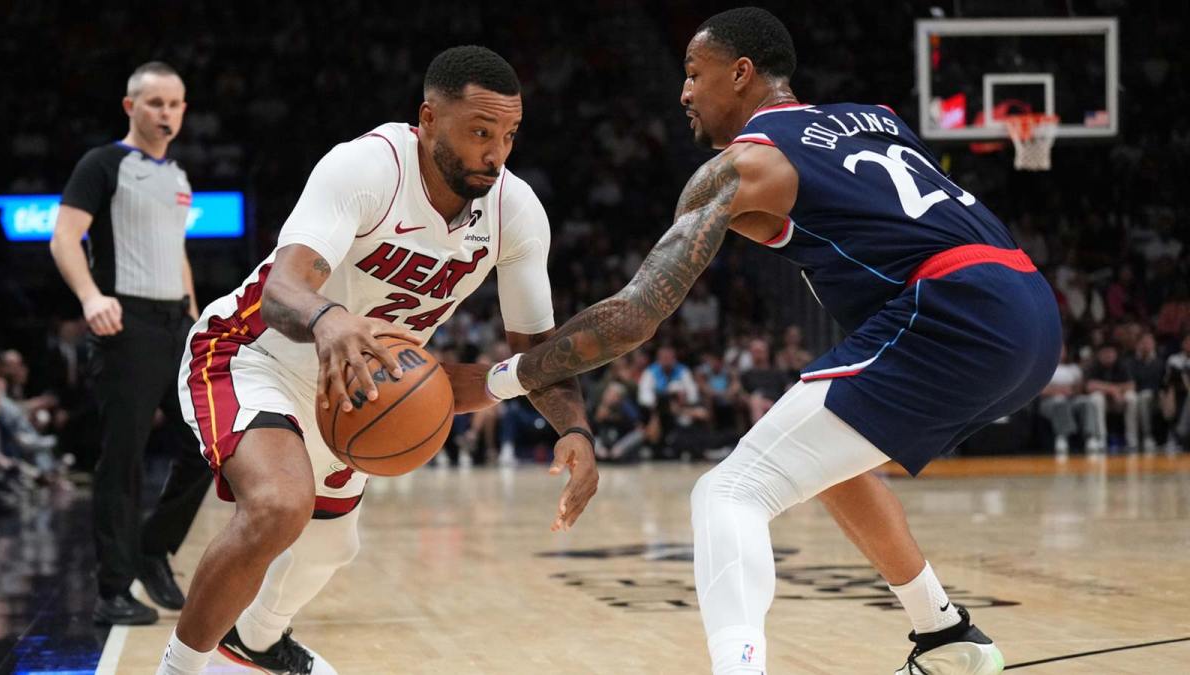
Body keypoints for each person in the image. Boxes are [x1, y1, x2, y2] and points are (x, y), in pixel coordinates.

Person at [487, 8, 1061, 674]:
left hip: (956, 312)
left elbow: (635, 315)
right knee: (830, 468)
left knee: (728, 493)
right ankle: (946, 635)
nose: (683, 93)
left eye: (694, 74)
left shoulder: (742, 167)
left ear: (741, 73)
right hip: (1028, 303)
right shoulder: (874, 116)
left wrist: (507, 377)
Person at [157, 46, 598, 675]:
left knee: (333, 544)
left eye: (508, 135)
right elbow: (284, 289)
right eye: (479, 132)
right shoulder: (366, 167)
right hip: (253, 353)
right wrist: (329, 319)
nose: (495, 153)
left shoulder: (516, 211)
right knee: (281, 505)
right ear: (428, 119)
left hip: (359, 386)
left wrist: (574, 427)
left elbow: (537, 356)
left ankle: (252, 646)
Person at [50, 61, 213, 625]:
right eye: (154, 103)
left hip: (175, 324)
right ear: (131, 107)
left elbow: (177, 253)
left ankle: (151, 551)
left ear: (184, 110)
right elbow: (64, 237)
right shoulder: (102, 164)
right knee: (122, 459)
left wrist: (195, 319)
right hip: (125, 323)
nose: (166, 113)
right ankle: (112, 590)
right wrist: (92, 297)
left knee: (205, 449)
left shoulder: (179, 178)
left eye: (174, 104)